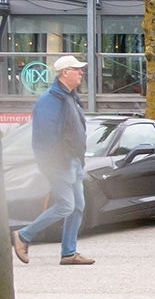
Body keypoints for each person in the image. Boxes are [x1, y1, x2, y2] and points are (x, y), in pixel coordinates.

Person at [11, 55, 94, 266]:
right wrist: (56, 164)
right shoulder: (49, 100)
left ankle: (68, 253)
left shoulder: (70, 98)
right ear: (65, 72)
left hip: (73, 162)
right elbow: (45, 138)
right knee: (66, 206)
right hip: (60, 163)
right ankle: (24, 235)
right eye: (77, 69)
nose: (81, 73)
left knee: (77, 207)